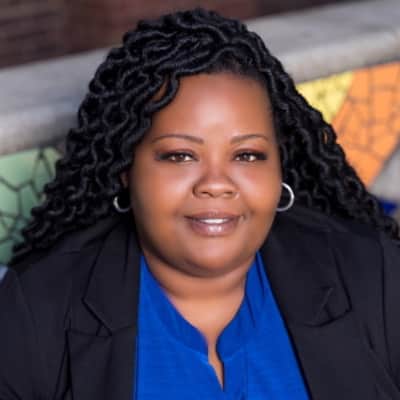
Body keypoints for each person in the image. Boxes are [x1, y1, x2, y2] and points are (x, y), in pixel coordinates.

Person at [1, 7, 399, 400]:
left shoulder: (371, 274)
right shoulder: (37, 312)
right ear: (125, 169)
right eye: (180, 156)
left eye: (247, 155)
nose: (215, 184)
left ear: (279, 166)